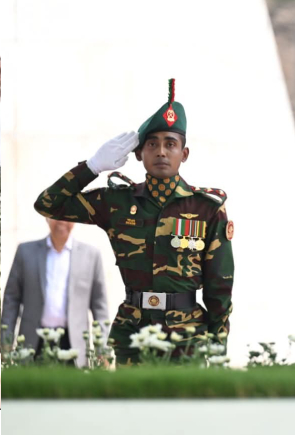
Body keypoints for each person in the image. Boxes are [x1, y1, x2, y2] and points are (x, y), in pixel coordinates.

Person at [33, 79, 235, 364]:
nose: (161, 152)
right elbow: (47, 204)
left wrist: (218, 348)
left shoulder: (206, 208)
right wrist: (91, 167)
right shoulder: (117, 202)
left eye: (170, 144)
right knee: (133, 408)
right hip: (133, 330)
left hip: (187, 336)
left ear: (183, 154)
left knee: (185, 408)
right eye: (152, 144)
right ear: (139, 154)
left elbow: (220, 285)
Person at [2, 218, 109, 367]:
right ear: (46, 217)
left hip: (73, 343)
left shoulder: (91, 255)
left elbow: (100, 307)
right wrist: (5, 341)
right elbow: (11, 300)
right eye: (55, 215)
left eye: (67, 215)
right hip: (33, 341)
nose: (61, 221)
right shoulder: (25, 252)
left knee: (73, 390)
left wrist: (102, 348)